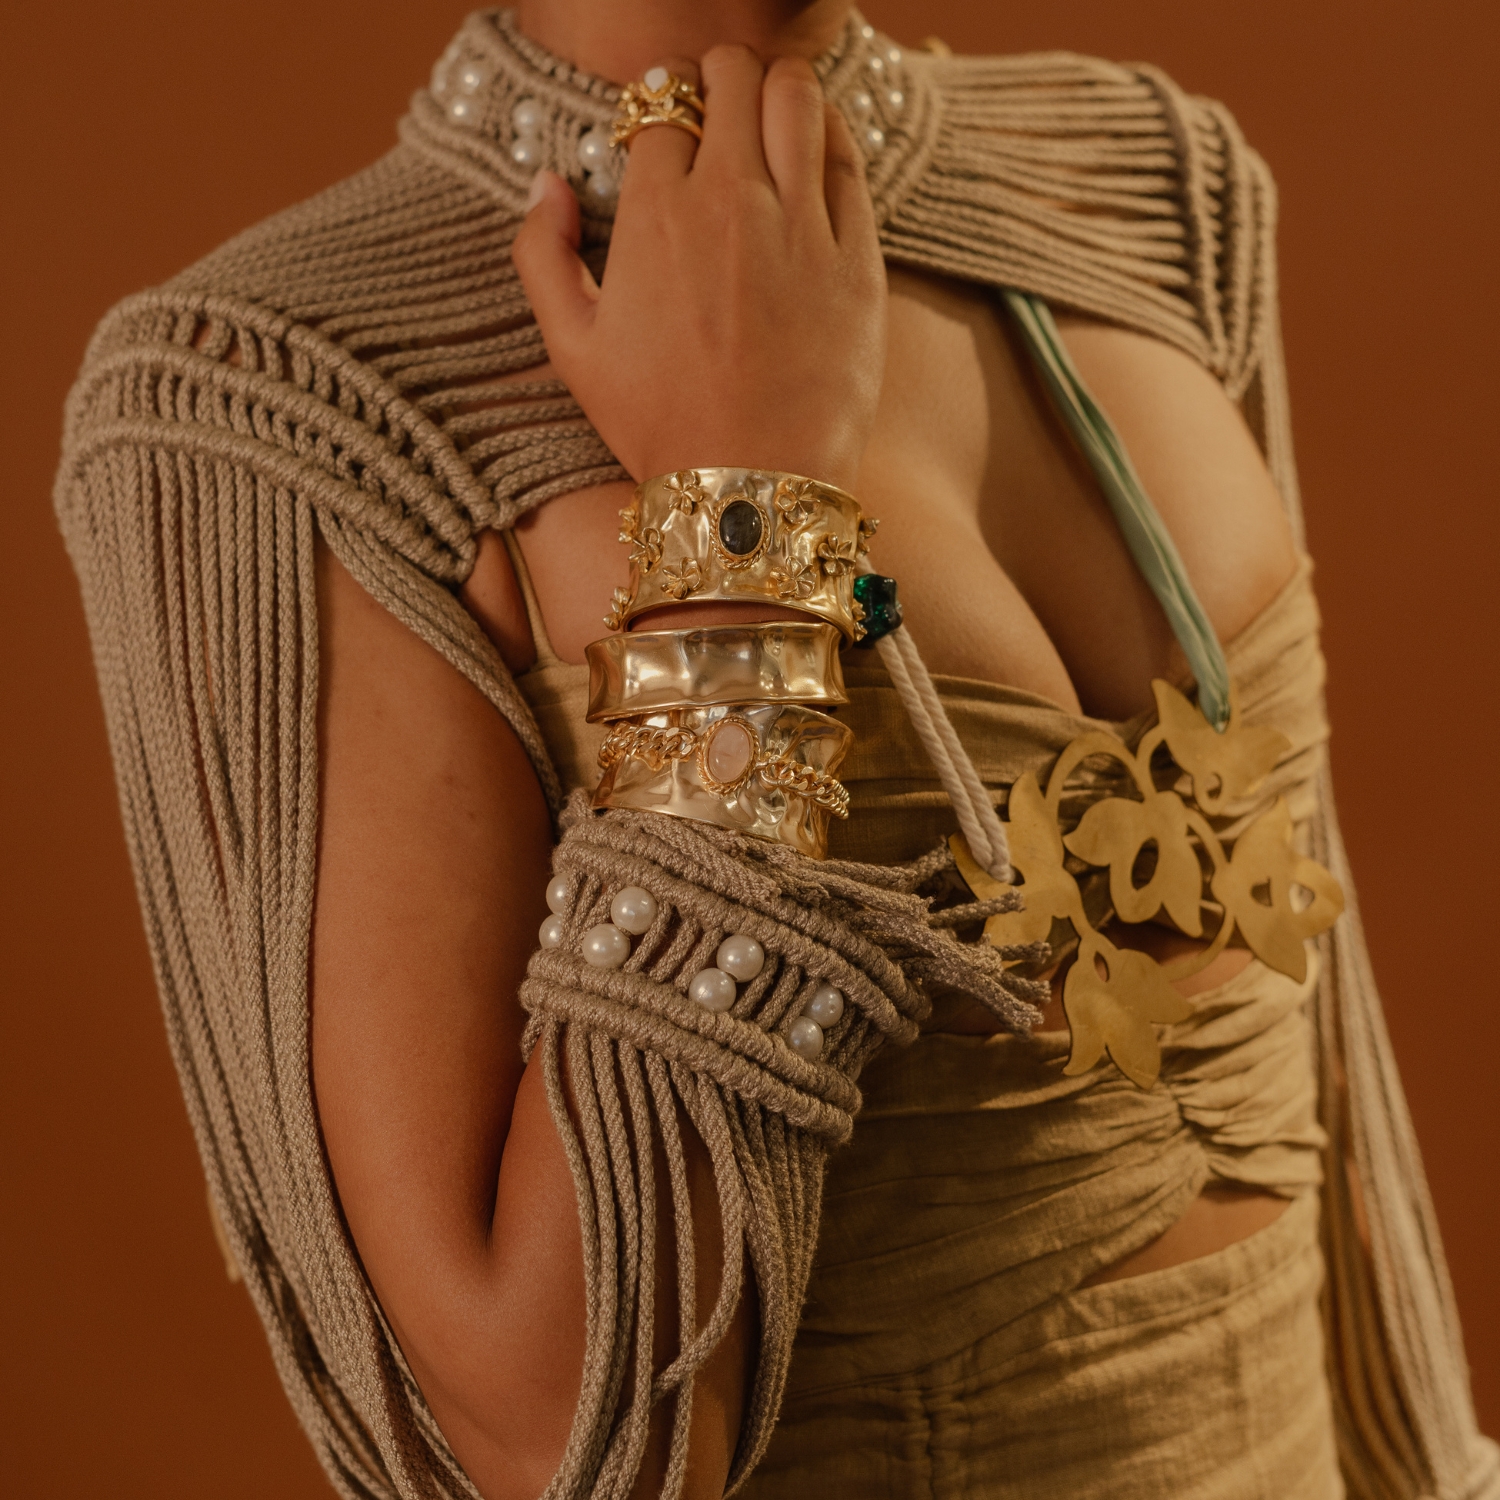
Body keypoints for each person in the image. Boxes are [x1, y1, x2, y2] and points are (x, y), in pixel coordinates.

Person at [54, 4, 1496, 1498]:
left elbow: (1340, 1131)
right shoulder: (272, 400)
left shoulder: (1136, 181)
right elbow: (554, 1444)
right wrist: (741, 528)